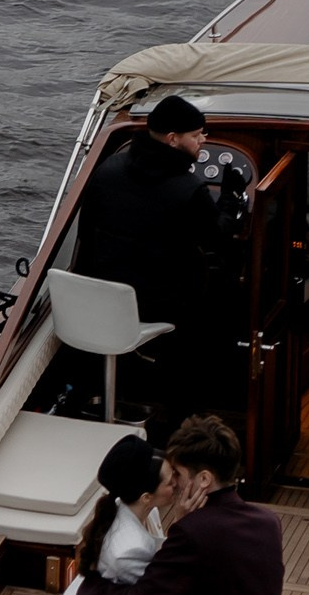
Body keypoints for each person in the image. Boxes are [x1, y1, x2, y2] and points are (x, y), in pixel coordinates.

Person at [72, 94, 244, 421]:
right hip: (160, 303)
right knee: (226, 303)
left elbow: (87, 230)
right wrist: (232, 198)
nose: (203, 140)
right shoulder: (187, 188)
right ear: (172, 139)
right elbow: (219, 237)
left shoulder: (109, 168)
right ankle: (191, 409)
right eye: (197, 135)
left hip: (103, 294)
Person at [76, 416, 288, 595]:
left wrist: (90, 587)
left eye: (178, 473)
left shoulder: (192, 532)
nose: (174, 482)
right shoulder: (269, 521)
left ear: (204, 479)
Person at [62, 435, 168, 595]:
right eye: (170, 483)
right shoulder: (129, 551)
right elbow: (159, 587)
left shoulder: (139, 510)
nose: (177, 484)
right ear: (146, 497)